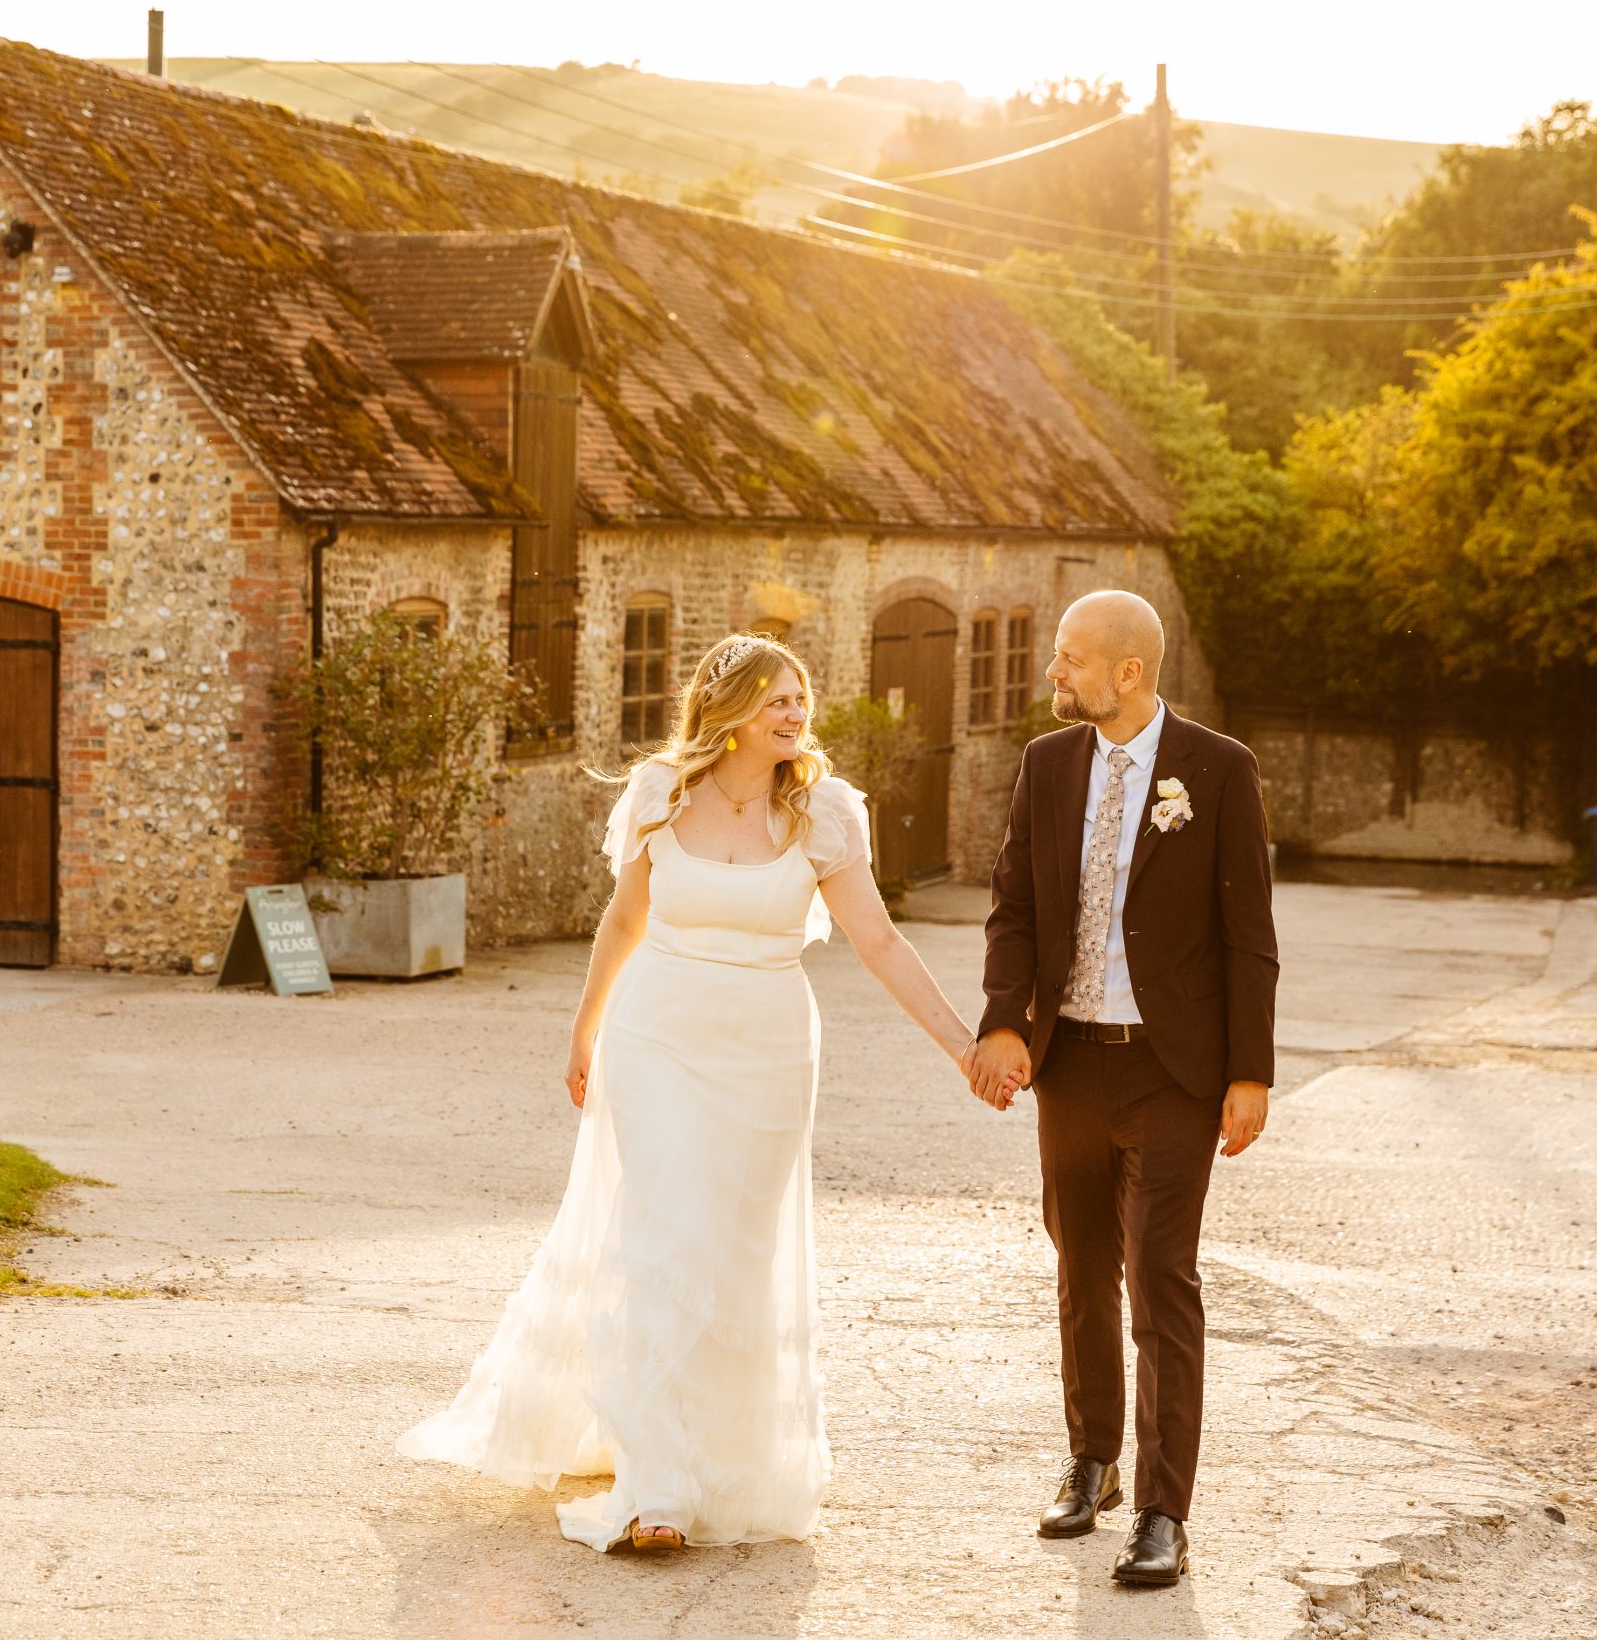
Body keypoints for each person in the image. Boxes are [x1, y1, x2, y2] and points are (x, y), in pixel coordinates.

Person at [399, 631, 982, 1552]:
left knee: (734, 1252)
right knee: (663, 1233)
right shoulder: (658, 794)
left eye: (801, 699)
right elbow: (625, 917)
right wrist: (584, 1025)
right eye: (777, 699)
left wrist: (961, 1042)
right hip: (657, 1034)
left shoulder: (825, 812)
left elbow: (878, 940)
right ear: (730, 710)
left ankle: (720, 1456)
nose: (796, 714)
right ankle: (657, 1484)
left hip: (768, 1046)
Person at [966, 589, 1280, 1588]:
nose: (1052, 675)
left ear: (1127, 672)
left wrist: (1250, 1073)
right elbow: (1012, 905)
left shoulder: (1219, 772)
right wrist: (1003, 1021)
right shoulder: (1046, 766)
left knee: (1161, 1280)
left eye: (1066, 659)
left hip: (1176, 1067)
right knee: (1080, 1265)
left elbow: (1250, 938)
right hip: (1072, 1062)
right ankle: (1092, 1459)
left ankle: (1161, 1510)